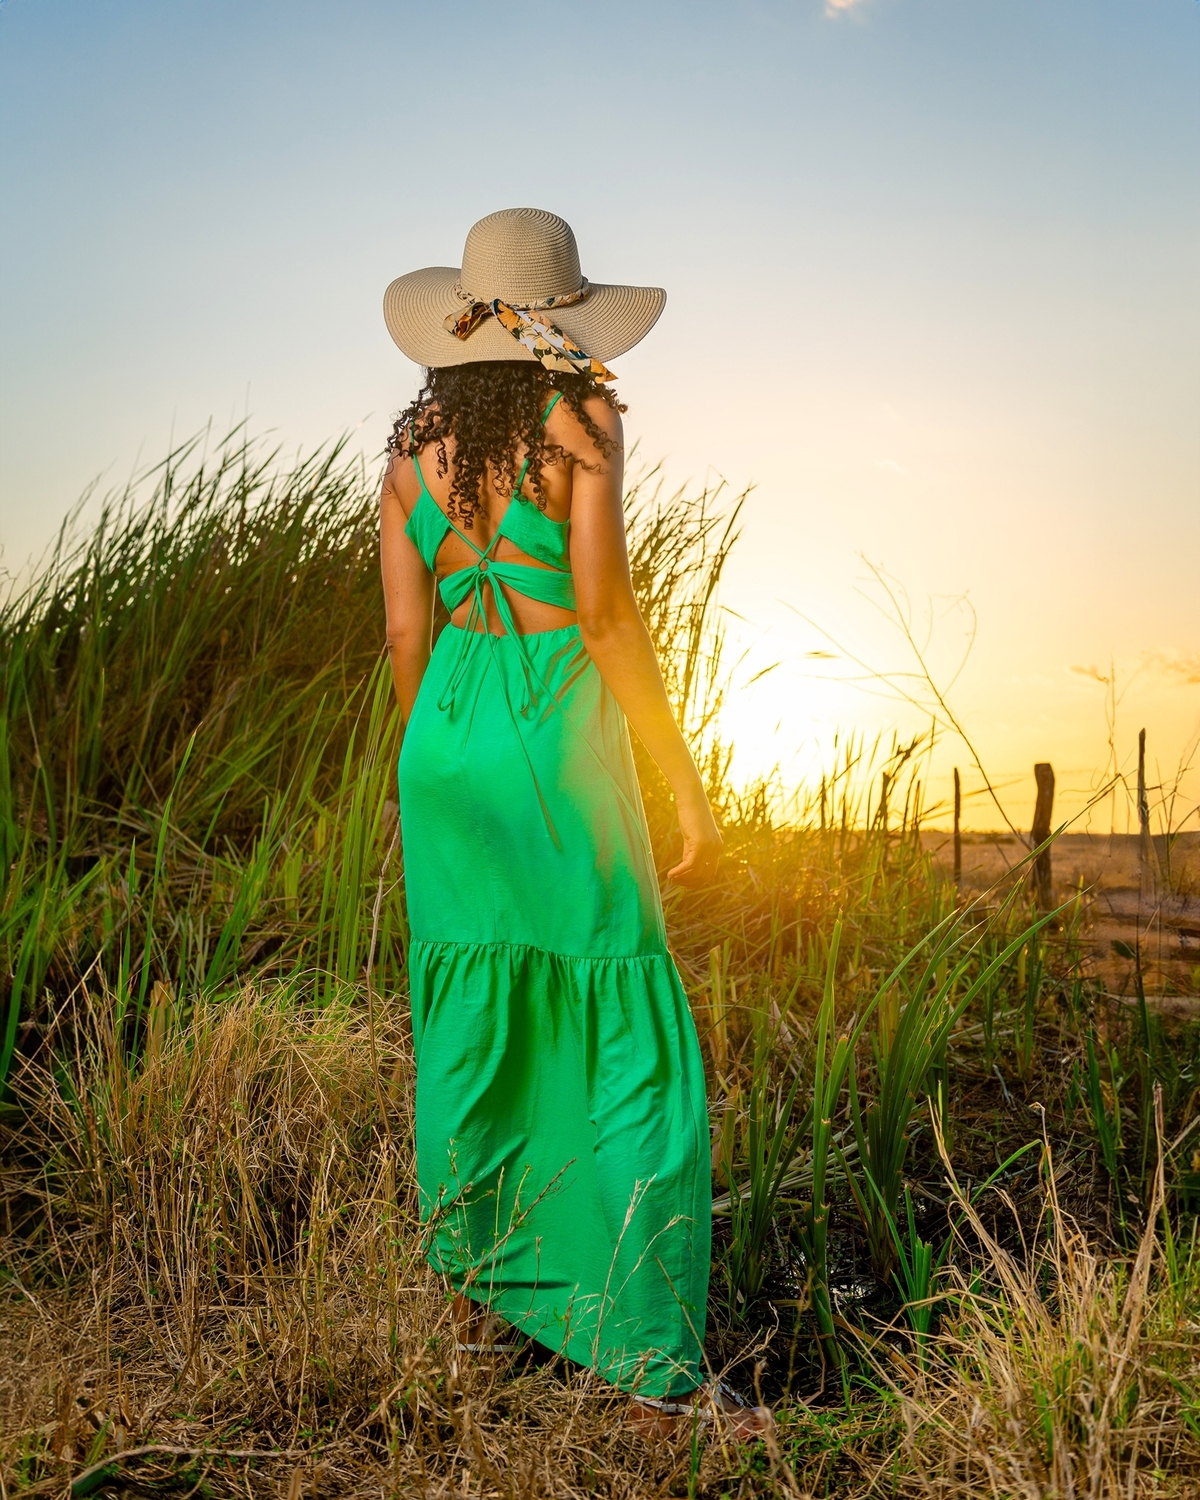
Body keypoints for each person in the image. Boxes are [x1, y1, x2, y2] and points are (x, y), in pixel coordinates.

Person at [379, 207, 769, 1438]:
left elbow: (405, 635)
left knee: (470, 1030)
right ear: (561, 320)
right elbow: (603, 615)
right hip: (555, 730)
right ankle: (653, 1368)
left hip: (444, 740)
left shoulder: (409, 453)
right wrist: (684, 781)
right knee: (625, 1031)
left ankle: (470, 1315)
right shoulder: (580, 424)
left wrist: (432, 755)